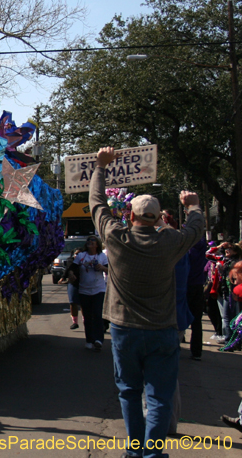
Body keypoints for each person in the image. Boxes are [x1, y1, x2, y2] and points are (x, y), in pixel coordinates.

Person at [89, 146, 204, 458]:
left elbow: (97, 203)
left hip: (125, 329)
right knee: (159, 396)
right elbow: (196, 230)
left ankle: (134, 449)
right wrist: (192, 206)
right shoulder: (170, 242)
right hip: (162, 329)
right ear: (157, 219)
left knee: (128, 391)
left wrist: (100, 167)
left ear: (131, 215)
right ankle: (152, 453)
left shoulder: (115, 237)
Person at [72, 236, 108, 351]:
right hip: (84, 290)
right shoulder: (81, 256)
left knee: (97, 315)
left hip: (98, 289)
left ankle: (98, 340)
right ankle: (89, 340)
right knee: (87, 316)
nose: (90, 243)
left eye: (92, 241)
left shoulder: (102, 256)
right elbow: (71, 268)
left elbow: (110, 270)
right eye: (88, 241)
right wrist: (71, 274)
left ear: (97, 244)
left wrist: (102, 267)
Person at [206, 241, 241, 341]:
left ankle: (233, 338)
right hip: (222, 290)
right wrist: (218, 246)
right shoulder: (223, 259)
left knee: (233, 315)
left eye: (230, 249)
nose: (226, 250)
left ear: (235, 252)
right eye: (226, 249)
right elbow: (208, 254)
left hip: (233, 291)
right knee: (225, 316)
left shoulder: (238, 262)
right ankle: (229, 338)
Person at [185, 238, 208, 360]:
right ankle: (196, 351)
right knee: (197, 321)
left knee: (179, 315)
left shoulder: (186, 252)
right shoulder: (202, 251)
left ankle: (179, 339)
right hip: (198, 286)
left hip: (186, 285)